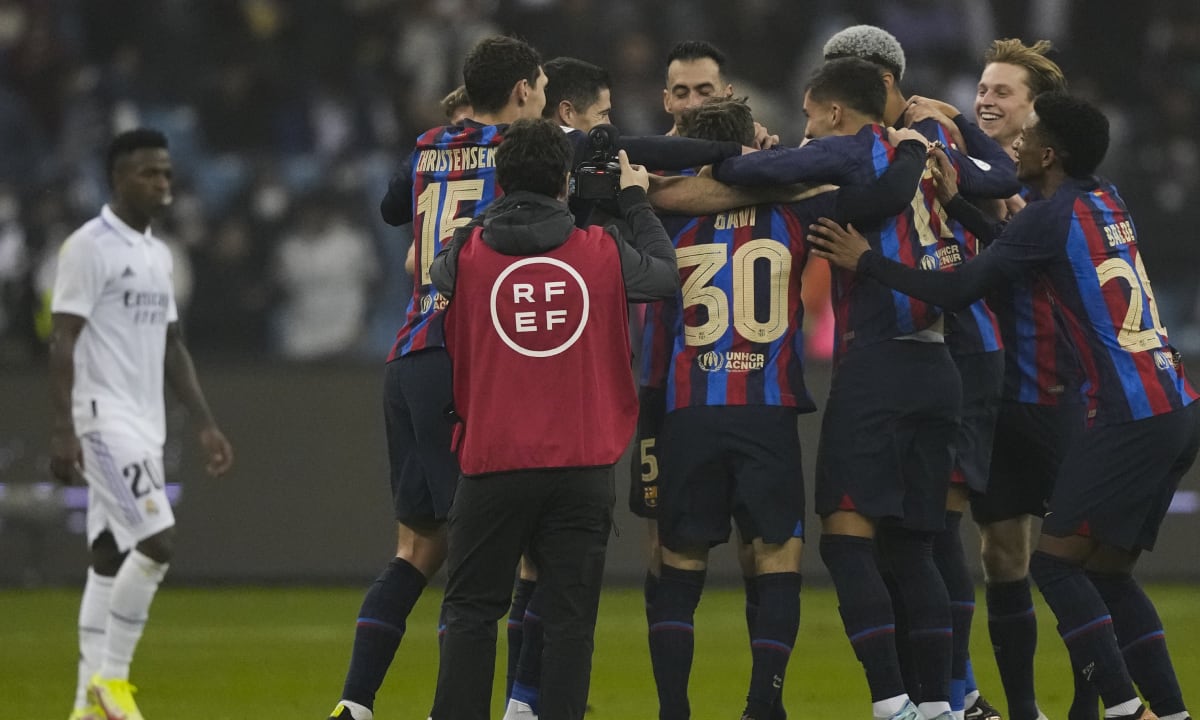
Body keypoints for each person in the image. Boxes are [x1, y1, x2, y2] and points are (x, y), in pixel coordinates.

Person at [808, 92, 1197, 720]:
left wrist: (869, 261)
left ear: (1049, 153)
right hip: (1176, 404)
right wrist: (958, 202)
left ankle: (1128, 710)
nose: (1015, 143)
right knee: (1108, 575)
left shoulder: (1049, 215)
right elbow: (1020, 248)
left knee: (1055, 567)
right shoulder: (1106, 198)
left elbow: (962, 286)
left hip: (1128, 415)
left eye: (1029, 135)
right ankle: (1172, 713)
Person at [645, 97, 930, 720]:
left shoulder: (659, 217)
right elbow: (875, 196)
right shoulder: (800, 210)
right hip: (765, 408)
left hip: (688, 407)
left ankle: (673, 712)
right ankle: (763, 705)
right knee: (777, 557)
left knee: (679, 563)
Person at [326, 35, 548, 720]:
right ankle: (504, 707)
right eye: (539, 90)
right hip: (469, 362)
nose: (542, 103)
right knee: (503, 555)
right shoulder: (526, 154)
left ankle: (354, 706)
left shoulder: (427, 145)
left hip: (410, 356)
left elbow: (398, 209)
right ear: (521, 93)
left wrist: (453, 135)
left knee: (420, 546)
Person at [428, 117, 679, 720]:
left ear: (500, 181)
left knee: (470, 612)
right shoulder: (601, 250)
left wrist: (484, 219)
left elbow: (436, 273)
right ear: (565, 183)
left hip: (493, 461)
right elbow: (666, 275)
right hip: (582, 464)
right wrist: (635, 202)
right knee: (570, 623)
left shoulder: (466, 252)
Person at [821, 25, 1013, 720]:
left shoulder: (909, 136)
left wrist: (959, 124)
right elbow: (1000, 200)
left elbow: (1001, 189)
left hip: (930, 348)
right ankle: (939, 699)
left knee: (902, 536)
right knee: (916, 542)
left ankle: (932, 698)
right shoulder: (903, 145)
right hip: (936, 352)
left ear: (871, 78)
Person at [49, 128, 234, 720]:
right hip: (103, 420)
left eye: (166, 173)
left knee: (108, 555)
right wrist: (63, 427)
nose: (161, 183)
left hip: (146, 424)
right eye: (148, 172)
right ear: (117, 179)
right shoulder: (87, 247)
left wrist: (203, 421)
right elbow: (62, 338)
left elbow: (172, 344)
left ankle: (84, 705)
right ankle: (112, 680)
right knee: (157, 540)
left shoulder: (159, 253)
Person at [969, 38, 1081, 720]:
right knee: (1001, 555)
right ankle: (1024, 711)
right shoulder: (963, 170)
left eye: (1002, 91)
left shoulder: (1062, 183)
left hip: (1060, 395)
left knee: (1079, 563)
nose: (985, 99)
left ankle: (1093, 707)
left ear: (1036, 112)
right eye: (983, 88)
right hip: (991, 397)